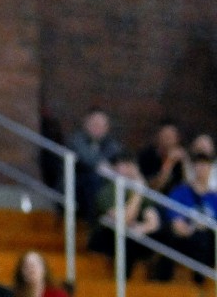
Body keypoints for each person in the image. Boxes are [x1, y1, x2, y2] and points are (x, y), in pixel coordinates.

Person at [85, 152, 159, 278]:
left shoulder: (134, 189)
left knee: (159, 237)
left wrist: (141, 228)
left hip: (129, 234)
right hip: (104, 237)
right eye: (124, 165)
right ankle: (123, 286)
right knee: (127, 238)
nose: (128, 170)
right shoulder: (107, 191)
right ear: (115, 168)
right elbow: (123, 220)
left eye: (131, 165)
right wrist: (138, 193)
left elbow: (154, 221)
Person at [153, 151, 217, 283]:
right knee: (170, 234)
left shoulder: (214, 198)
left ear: (210, 168)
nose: (201, 169)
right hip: (183, 237)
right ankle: (163, 283)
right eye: (198, 165)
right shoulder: (181, 191)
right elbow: (175, 219)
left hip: (207, 243)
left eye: (205, 165)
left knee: (205, 237)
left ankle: (201, 284)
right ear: (193, 168)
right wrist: (188, 227)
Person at [67, 108, 123, 221]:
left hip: (101, 186)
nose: (98, 128)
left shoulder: (110, 144)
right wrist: (102, 166)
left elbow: (118, 162)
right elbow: (87, 159)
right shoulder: (76, 140)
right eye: (94, 124)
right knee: (93, 179)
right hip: (76, 187)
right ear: (86, 124)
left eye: (102, 125)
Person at [137, 121, 187, 195]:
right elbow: (152, 188)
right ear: (159, 137)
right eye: (166, 136)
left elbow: (189, 185)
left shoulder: (179, 159)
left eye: (171, 137)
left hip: (175, 200)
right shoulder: (147, 156)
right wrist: (169, 163)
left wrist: (185, 162)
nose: (168, 141)